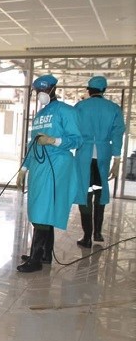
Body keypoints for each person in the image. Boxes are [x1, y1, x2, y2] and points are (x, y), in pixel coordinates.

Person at [16, 74, 82, 273]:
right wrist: (24, 168)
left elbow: (77, 140)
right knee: (43, 208)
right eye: (38, 90)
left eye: (44, 89)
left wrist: (54, 141)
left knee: (42, 210)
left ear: (53, 89)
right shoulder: (39, 115)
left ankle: (35, 259)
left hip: (56, 165)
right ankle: (44, 253)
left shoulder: (65, 111)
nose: (41, 93)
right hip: (38, 165)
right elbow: (32, 143)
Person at [74, 76, 125, 248]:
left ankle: (87, 236)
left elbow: (72, 132)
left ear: (89, 90)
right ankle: (97, 233)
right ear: (104, 90)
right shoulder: (114, 108)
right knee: (99, 192)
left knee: (85, 194)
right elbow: (118, 133)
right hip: (103, 156)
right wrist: (117, 159)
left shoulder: (80, 107)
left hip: (84, 157)